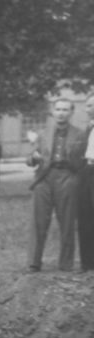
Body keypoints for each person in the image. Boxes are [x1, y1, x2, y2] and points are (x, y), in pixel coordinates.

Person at [27, 98, 87, 273]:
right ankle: (33, 263)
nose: (61, 113)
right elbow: (30, 159)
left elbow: (83, 160)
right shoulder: (42, 133)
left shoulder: (80, 134)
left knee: (67, 222)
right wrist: (34, 158)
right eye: (58, 109)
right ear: (53, 112)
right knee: (38, 221)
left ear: (71, 112)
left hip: (67, 176)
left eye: (65, 110)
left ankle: (66, 264)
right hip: (44, 178)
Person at [79, 93, 94, 272]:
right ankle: (88, 263)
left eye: (90, 105)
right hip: (86, 170)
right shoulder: (88, 128)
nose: (87, 109)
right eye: (87, 106)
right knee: (85, 215)